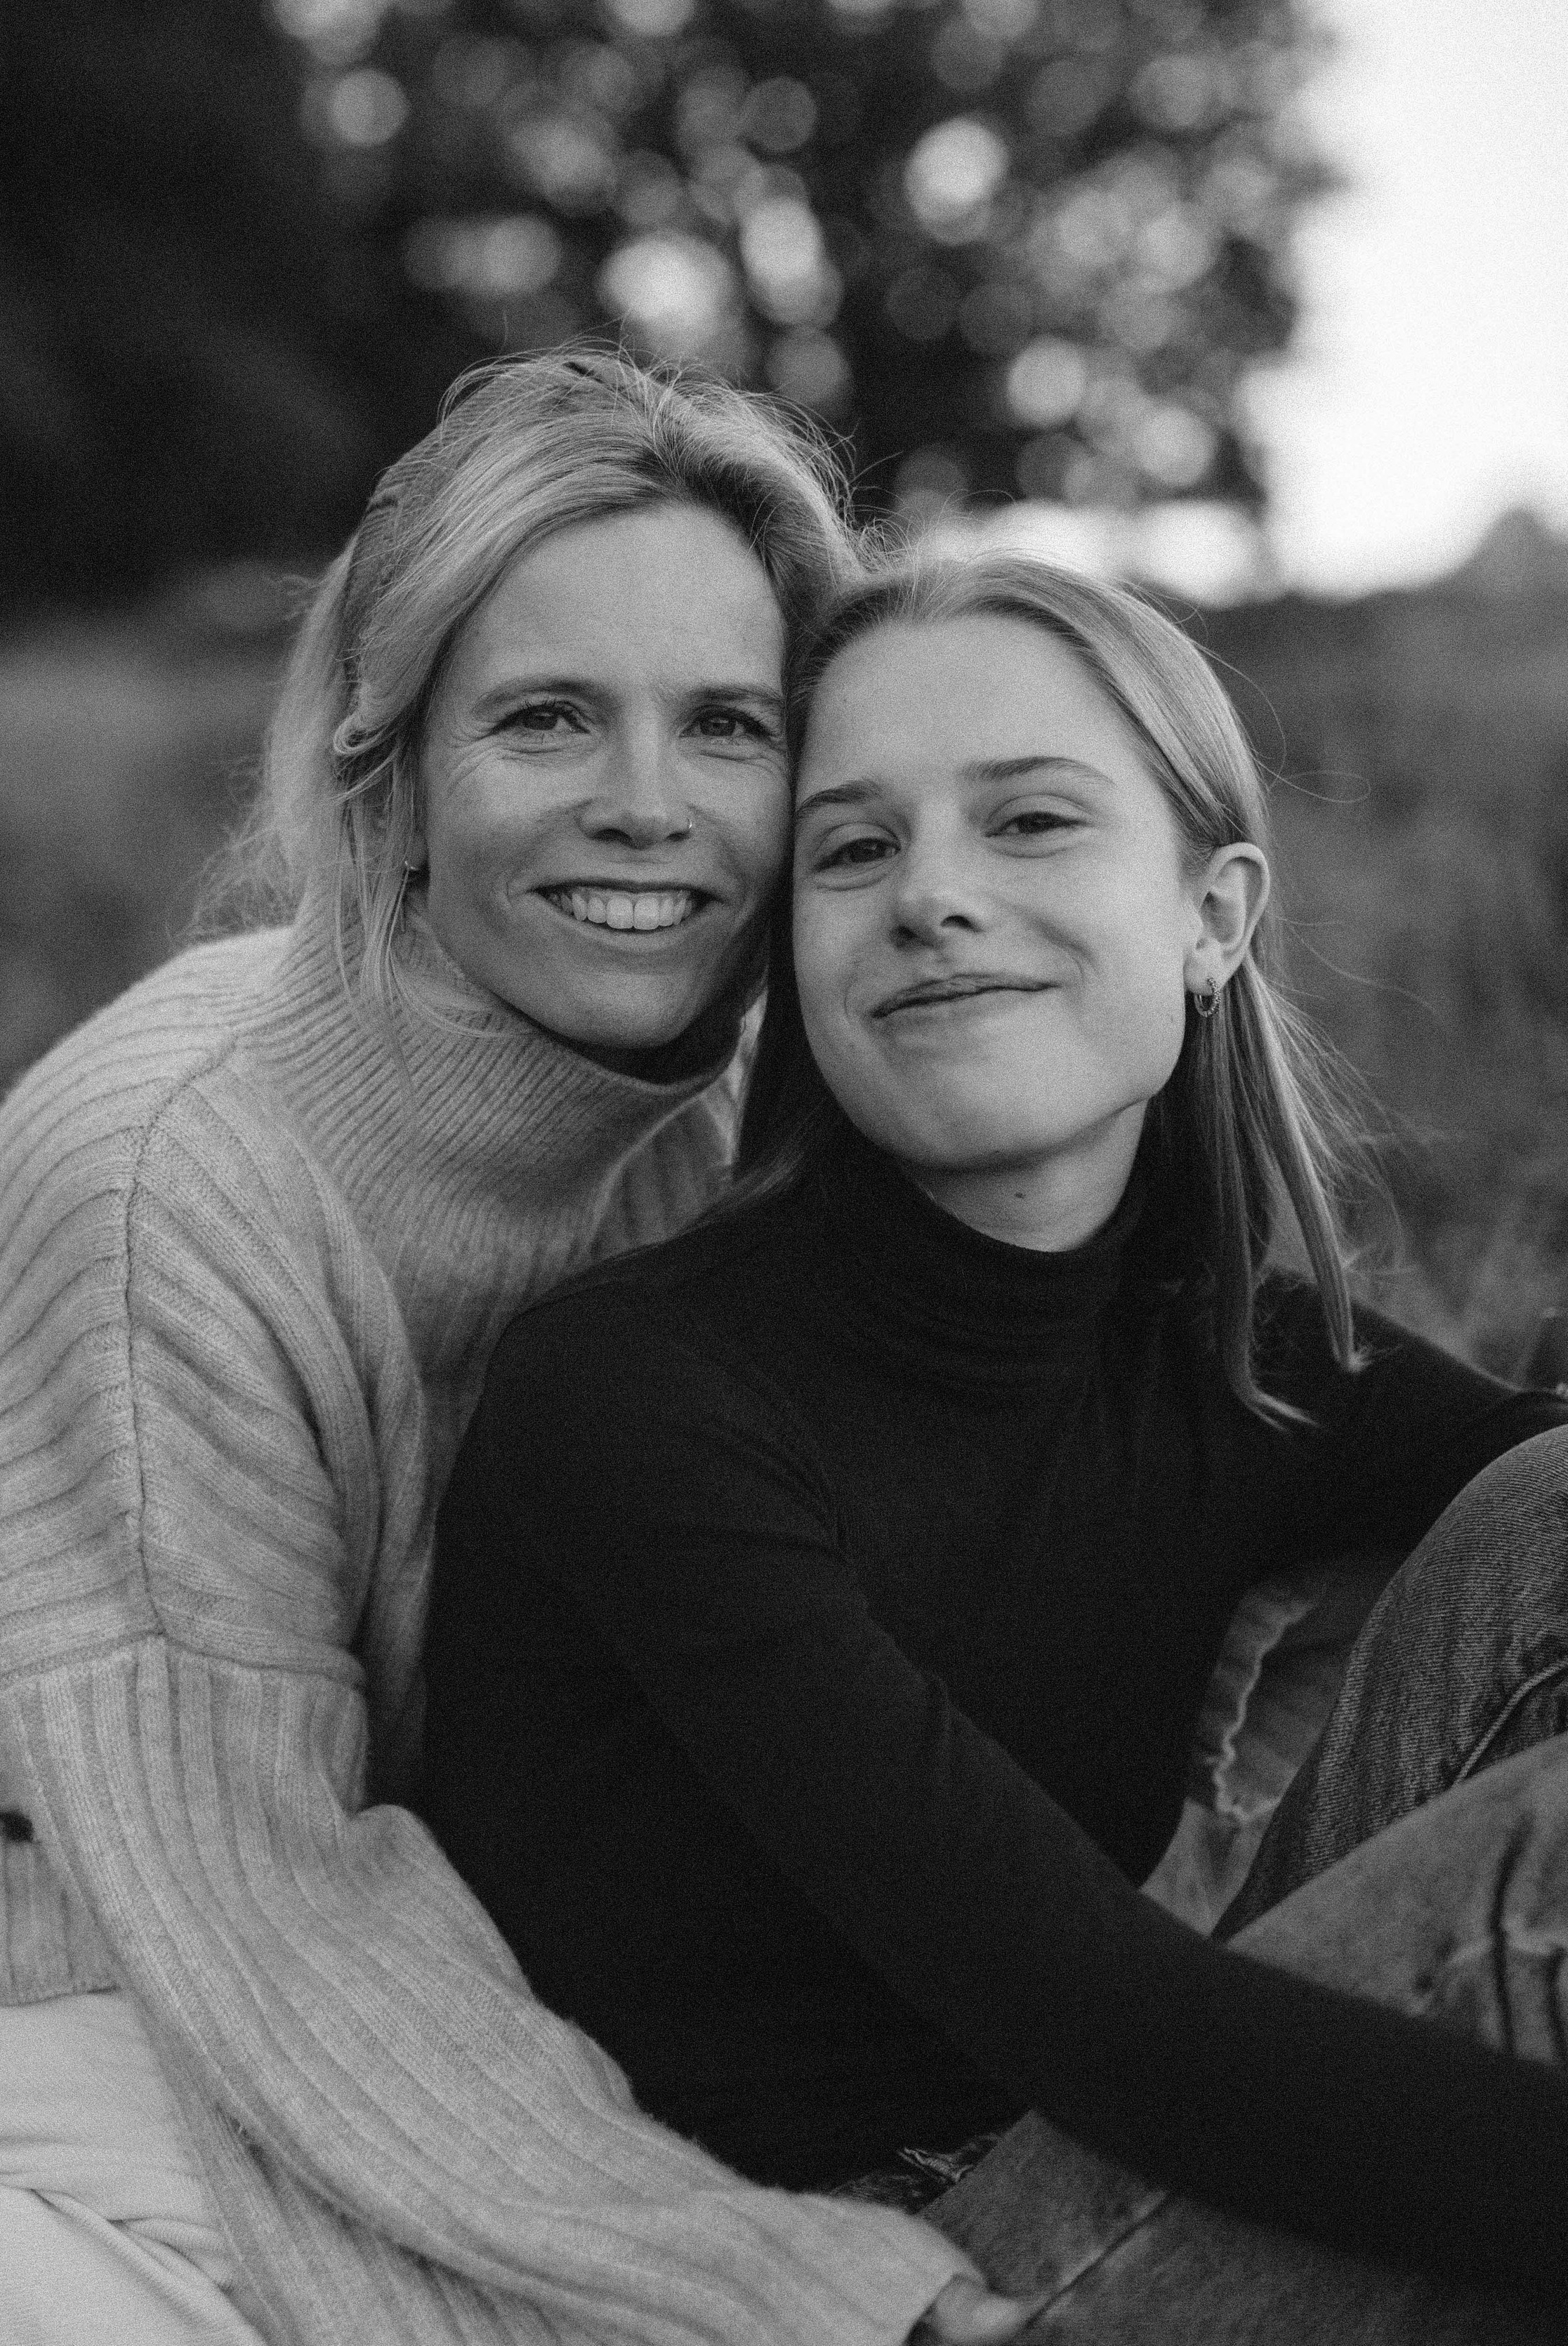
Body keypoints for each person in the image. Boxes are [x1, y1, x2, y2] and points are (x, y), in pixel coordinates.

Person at [0, 355, 982, 2346]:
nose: (649, 808)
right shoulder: (177, 1179)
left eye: (731, 729)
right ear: (384, 760)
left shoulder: (711, 1113)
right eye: (544, 719)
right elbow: (261, 1898)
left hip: (309, 1895)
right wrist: (781, 2283)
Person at [422, 547, 1568, 2333]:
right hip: (828, 2279)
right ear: (794, 953)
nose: (931, 899)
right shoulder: (636, 1396)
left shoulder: (1235, 1353)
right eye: (854, 847)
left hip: (1099, 2164)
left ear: (1211, 916)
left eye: (1028, 822)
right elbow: (1102, 2026)